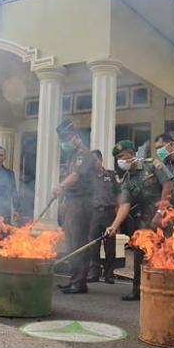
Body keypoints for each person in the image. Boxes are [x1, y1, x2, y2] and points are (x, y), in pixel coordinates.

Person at [104, 140, 173, 300]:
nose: (119, 160)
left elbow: (168, 185)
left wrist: (161, 211)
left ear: (132, 153)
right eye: (117, 158)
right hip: (144, 217)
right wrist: (113, 226)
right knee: (139, 253)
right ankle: (138, 290)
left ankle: (165, 290)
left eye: (122, 156)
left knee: (164, 252)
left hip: (163, 213)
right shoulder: (127, 179)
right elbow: (125, 205)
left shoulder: (152, 165)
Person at [53, 119, 97, 294]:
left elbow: (76, 176)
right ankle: (74, 279)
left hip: (82, 202)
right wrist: (64, 200)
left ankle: (79, 282)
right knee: (71, 243)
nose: (63, 142)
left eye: (65, 137)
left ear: (74, 136)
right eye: (61, 138)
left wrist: (60, 186)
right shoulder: (71, 155)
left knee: (78, 242)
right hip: (72, 201)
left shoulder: (83, 153)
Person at [87, 150, 119, 284]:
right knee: (93, 243)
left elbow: (118, 193)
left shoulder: (111, 175)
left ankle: (109, 273)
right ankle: (94, 272)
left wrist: (119, 212)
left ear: (100, 160)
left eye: (95, 160)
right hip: (93, 213)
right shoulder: (88, 177)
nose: (93, 164)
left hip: (109, 212)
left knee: (110, 244)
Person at [0, 146, 20, 224]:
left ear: (4, 157)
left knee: (4, 233)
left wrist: (16, 209)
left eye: (1, 155)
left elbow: (13, 191)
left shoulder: (9, 173)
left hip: (4, 210)